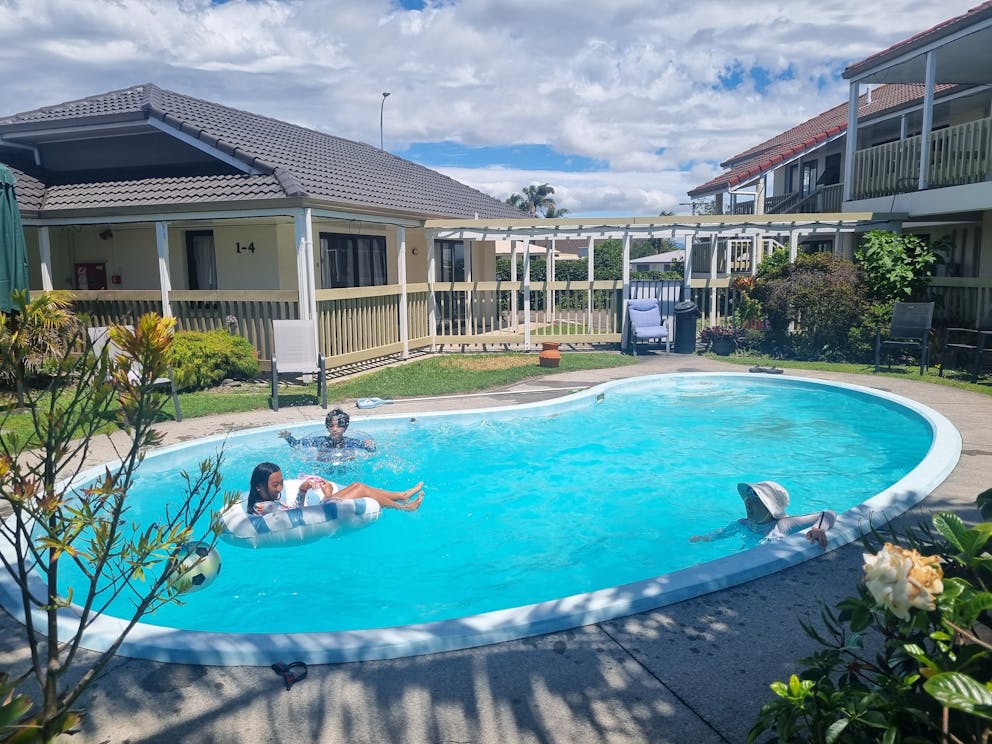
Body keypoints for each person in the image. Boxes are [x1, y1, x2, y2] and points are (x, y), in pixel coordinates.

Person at [689, 481, 836, 549]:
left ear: (769, 507)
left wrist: (818, 528)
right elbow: (721, 534)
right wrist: (704, 538)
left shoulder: (782, 525)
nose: (747, 503)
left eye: (755, 501)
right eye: (747, 500)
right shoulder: (743, 523)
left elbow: (828, 513)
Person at [245, 461, 423, 516]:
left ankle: (401, 495)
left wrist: (303, 490)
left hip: (318, 509)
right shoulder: (264, 507)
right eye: (275, 485)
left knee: (356, 485)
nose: (279, 488)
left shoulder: (266, 502)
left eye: (281, 483)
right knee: (360, 488)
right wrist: (327, 495)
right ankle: (405, 508)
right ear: (259, 487)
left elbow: (293, 511)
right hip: (320, 512)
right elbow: (297, 515)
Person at [278, 408, 375, 454]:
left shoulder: (350, 442)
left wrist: (370, 445)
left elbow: (371, 450)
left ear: (345, 427)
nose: (335, 429)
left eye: (339, 426)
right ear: (327, 427)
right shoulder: (320, 441)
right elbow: (296, 444)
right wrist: (288, 437)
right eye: (331, 426)